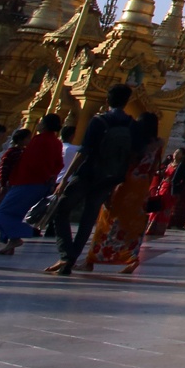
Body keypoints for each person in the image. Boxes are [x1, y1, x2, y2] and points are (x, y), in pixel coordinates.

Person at [47, 85, 138, 276]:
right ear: (127, 102)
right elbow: (131, 155)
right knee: (89, 218)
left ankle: (66, 256)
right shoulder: (131, 123)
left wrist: (65, 179)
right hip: (110, 177)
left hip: (88, 173)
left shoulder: (100, 121)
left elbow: (84, 151)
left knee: (60, 211)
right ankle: (70, 258)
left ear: (107, 100)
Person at [86, 113, 164, 274]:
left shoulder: (135, 143)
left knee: (107, 219)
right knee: (133, 224)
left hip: (125, 184)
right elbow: (154, 169)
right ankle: (131, 257)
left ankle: (91, 260)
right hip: (141, 186)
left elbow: (124, 164)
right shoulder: (157, 146)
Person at [0, 114, 64, 254]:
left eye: (40, 122)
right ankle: (11, 244)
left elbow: (33, 163)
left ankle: (28, 231)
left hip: (27, 182)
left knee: (1, 214)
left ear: (44, 125)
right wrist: (50, 178)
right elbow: (58, 164)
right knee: (15, 214)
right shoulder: (56, 142)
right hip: (41, 184)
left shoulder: (39, 140)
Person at [146, 147, 185, 237]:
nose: (175, 154)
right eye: (175, 152)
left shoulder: (181, 166)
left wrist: (177, 189)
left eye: (178, 153)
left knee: (164, 209)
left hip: (170, 190)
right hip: (162, 187)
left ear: (182, 155)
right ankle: (150, 228)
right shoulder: (169, 164)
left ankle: (159, 229)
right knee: (156, 207)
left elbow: (183, 180)